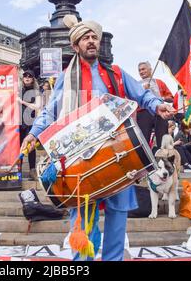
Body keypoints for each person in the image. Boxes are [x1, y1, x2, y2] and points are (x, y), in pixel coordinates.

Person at [20, 15, 175, 261]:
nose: (91, 41)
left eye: (94, 37)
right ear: (75, 46)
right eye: (85, 38)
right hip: (80, 159)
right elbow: (50, 111)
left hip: (118, 153)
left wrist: (158, 105)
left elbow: (142, 95)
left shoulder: (115, 73)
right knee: (82, 222)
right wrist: (33, 134)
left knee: (117, 219)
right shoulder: (65, 78)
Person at [137, 61, 174, 149]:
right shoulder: (136, 85)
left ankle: (165, 159)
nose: (141, 72)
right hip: (143, 113)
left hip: (159, 112)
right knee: (144, 139)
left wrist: (162, 98)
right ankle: (145, 161)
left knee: (162, 138)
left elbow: (171, 98)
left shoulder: (159, 82)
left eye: (143, 69)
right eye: (139, 70)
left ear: (150, 69)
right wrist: (142, 91)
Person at [18, 70, 42, 180]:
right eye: (25, 76)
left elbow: (37, 106)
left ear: (33, 79)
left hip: (30, 123)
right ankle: (18, 170)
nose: (27, 78)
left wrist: (23, 102)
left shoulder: (36, 92)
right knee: (19, 147)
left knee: (31, 148)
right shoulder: (19, 91)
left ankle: (32, 171)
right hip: (19, 123)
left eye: (29, 76)